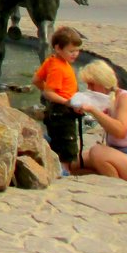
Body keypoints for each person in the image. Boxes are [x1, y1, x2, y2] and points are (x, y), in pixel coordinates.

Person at [71, 60, 127, 182]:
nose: (89, 89)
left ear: (102, 82)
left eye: (91, 84)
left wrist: (94, 111)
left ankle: (115, 186)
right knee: (72, 163)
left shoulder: (125, 98)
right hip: (117, 153)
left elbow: (121, 131)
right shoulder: (106, 99)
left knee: (97, 152)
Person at [32, 25, 83, 173]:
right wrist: (65, 101)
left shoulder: (52, 61)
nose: (75, 54)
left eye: (77, 50)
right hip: (62, 112)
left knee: (56, 142)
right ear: (58, 48)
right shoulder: (58, 68)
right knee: (67, 148)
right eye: (71, 51)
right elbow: (49, 93)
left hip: (56, 110)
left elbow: (36, 79)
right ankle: (63, 174)